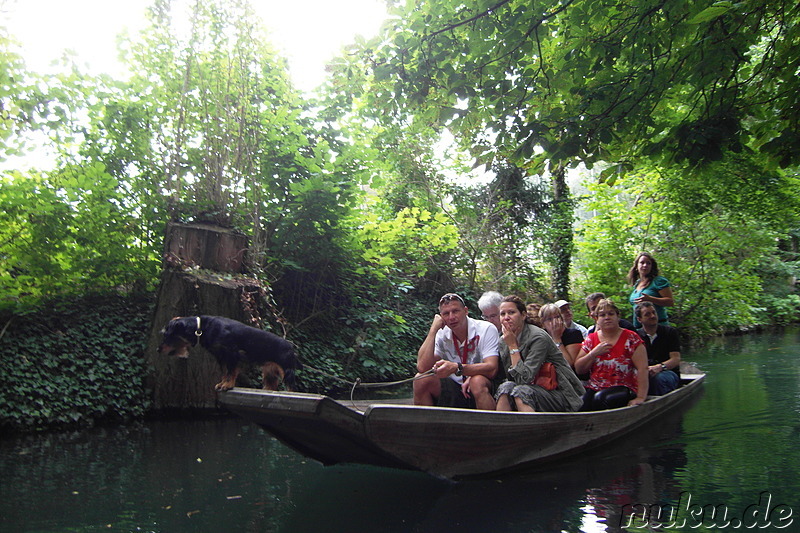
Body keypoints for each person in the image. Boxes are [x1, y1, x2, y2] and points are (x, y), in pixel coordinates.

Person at [494, 296, 584, 412]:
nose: (506, 318)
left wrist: (512, 346)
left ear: (523, 315)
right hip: (531, 389)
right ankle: (501, 429)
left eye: (511, 312)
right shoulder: (504, 340)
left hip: (560, 392)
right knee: (505, 388)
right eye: (502, 314)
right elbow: (511, 378)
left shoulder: (538, 337)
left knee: (521, 392)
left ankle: (532, 429)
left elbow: (523, 379)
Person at [413, 293, 500, 410]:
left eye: (455, 311)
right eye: (446, 314)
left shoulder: (486, 329)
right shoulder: (441, 332)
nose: (451, 317)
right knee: (421, 379)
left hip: (481, 386)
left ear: (465, 311)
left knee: (477, 381)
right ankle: (427, 426)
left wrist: (457, 368)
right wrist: (433, 331)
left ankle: (490, 425)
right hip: (454, 388)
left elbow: (492, 369)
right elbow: (423, 367)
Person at [575, 299, 649, 410]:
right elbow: (579, 369)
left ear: (617, 316)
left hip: (624, 387)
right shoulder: (591, 339)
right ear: (596, 319)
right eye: (602, 315)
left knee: (601, 399)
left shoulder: (631, 338)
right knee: (579, 404)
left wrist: (641, 397)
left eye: (611, 314)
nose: (607, 317)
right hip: (596, 386)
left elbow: (643, 369)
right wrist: (593, 353)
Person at [636, 301, 681, 395]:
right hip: (644, 373)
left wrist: (660, 367)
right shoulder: (636, 336)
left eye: (653, 312)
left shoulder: (670, 332)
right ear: (640, 319)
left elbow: (676, 359)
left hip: (667, 372)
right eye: (647, 314)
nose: (652, 316)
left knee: (658, 379)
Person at [627, 252, 674, 328]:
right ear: (636, 266)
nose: (645, 265)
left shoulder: (658, 281)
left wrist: (650, 299)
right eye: (642, 263)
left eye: (648, 263)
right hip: (640, 329)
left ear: (652, 266)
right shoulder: (637, 284)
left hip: (658, 327)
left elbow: (670, 302)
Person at [538, 303, 583, 367]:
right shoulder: (542, 337)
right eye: (550, 319)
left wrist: (557, 339)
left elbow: (568, 364)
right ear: (543, 323)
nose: (555, 321)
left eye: (557, 317)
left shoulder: (573, 334)